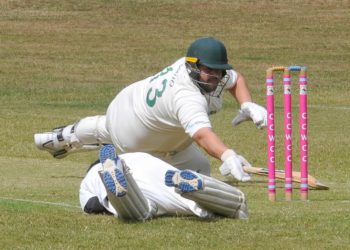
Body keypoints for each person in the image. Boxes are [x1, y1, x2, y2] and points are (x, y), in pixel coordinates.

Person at [35, 37, 267, 182]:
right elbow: (201, 135)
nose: (216, 77)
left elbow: (236, 80)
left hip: (128, 105)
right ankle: (104, 170)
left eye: (219, 71)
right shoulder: (186, 95)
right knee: (190, 173)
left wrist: (246, 104)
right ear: (193, 66)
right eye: (210, 71)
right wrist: (226, 155)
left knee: (106, 128)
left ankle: (61, 137)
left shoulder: (197, 68)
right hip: (136, 138)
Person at [80, 145, 248, 221]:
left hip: (130, 184)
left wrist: (110, 209)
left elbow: (92, 205)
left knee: (142, 211)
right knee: (183, 197)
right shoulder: (133, 156)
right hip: (148, 164)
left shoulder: (89, 180)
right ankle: (199, 186)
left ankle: (120, 176)